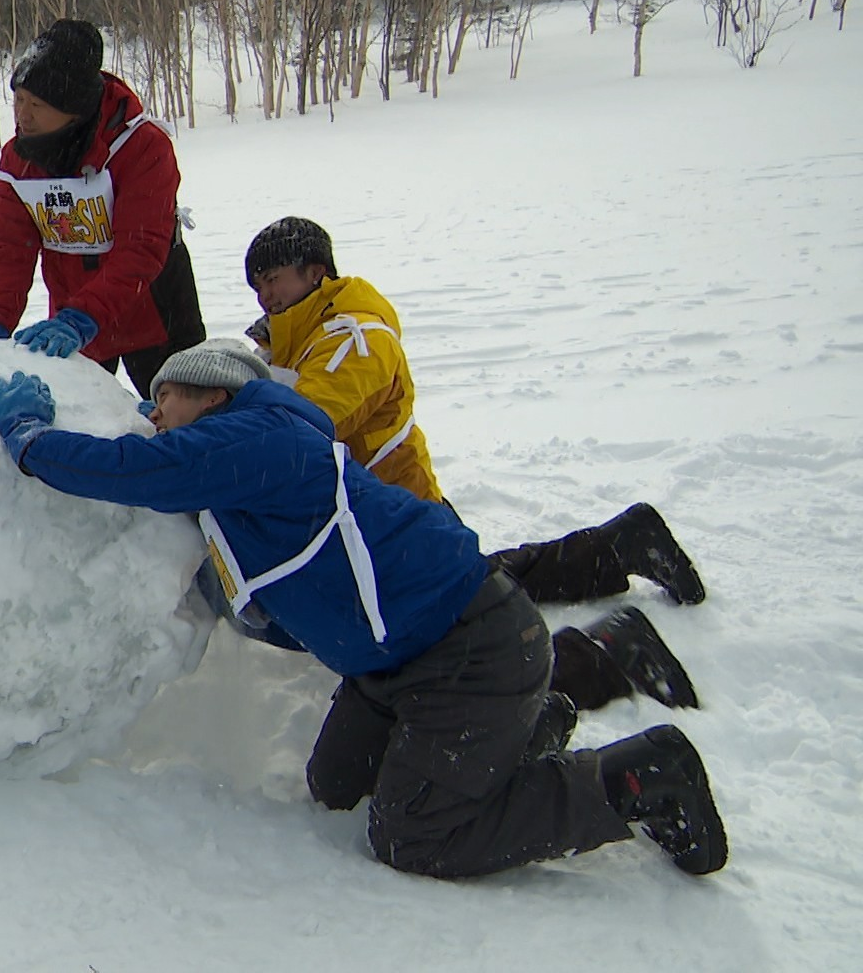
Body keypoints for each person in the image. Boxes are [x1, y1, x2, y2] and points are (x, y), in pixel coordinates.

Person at [0, 341, 729, 879]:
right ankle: (533, 726)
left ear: (211, 393)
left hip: (464, 650)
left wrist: (31, 441)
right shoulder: (252, 459)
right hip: (403, 665)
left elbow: (139, 470)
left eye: (164, 398)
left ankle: (638, 779)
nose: (152, 412)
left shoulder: (261, 441)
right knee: (339, 787)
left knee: (414, 836)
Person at [234, 216, 702, 716]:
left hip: (396, 517)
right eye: (257, 284)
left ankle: (612, 655)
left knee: (456, 655)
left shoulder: (354, 336)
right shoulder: (300, 334)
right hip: (380, 519)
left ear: (315, 272)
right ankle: (616, 549)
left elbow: (308, 421)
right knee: (479, 596)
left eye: (274, 278)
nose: (265, 294)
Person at [0, 18, 205, 397]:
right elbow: (9, 251)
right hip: (73, 312)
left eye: (37, 104)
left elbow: (142, 248)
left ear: (74, 110)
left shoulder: (143, 147)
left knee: (183, 418)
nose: (22, 116)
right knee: (82, 420)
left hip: (154, 308)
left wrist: (85, 316)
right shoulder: (19, 160)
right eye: (18, 99)